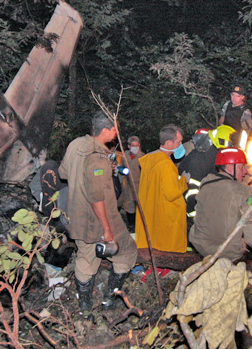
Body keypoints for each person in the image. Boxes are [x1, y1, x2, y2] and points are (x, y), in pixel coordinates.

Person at [59, 112, 137, 312]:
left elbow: (63, 173)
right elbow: (96, 197)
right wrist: (107, 229)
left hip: (77, 216)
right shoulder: (98, 157)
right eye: (114, 128)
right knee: (127, 253)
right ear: (105, 130)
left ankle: (84, 305)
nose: (116, 132)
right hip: (101, 218)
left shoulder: (76, 144)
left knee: (86, 258)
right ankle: (110, 298)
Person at [189, 147, 252, 261]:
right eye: (241, 167)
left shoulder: (205, 184)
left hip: (200, 247)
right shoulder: (242, 191)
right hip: (228, 253)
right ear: (230, 167)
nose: (245, 171)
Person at [135, 124, 188, 253]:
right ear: (169, 143)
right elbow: (172, 193)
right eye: (179, 142)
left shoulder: (151, 159)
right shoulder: (166, 165)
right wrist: (183, 181)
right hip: (165, 217)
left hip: (151, 211)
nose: (181, 145)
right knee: (167, 249)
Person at [178, 125, 236, 222]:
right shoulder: (199, 160)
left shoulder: (212, 156)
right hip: (190, 216)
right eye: (231, 144)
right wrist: (196, 218)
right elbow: (192, 192)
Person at [117, 136, 144, 231]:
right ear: (129, 146)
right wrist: (121, 170)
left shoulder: (143, 156)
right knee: (129, 206)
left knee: (140, 207)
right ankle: (131, 226)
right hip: (128, 185)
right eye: (133, 145)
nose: (135, 147)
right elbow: (120, 167)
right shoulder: (124, 156)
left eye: (137, 145)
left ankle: (139, 227)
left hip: (140, 185)